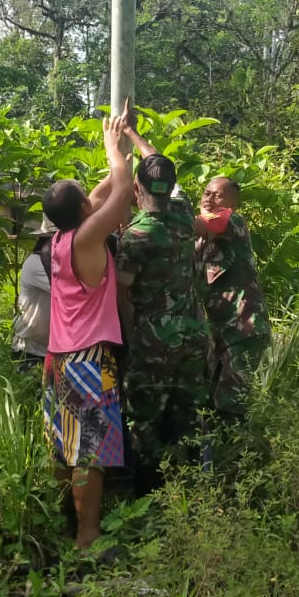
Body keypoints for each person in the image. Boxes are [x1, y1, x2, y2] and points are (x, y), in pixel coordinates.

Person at [41, 104, 134, 550]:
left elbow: (102, 194)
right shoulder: (90, 238)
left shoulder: (61, 238)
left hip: (59, 357)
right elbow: (118, 192)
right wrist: (110, 146)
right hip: (88, 360)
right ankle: (87, 535)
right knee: (88, 453)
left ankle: (64, 522)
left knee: (64, 447)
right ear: (82, 209)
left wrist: (121, 145)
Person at [115, 125, 211, 494]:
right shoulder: (186, 218)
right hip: (192, 334)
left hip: (152, 341)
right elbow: (160, 171)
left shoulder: (135, 238)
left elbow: (123, 294)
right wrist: (136, 136)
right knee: (189, 413)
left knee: (145, 418)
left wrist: (127, 341)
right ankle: (191, 489)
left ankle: (152, 494)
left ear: (136, 190)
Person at [194, 176, 272, 421]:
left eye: (217, 195)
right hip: (221, 333)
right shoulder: (199, 241)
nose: (209, 198)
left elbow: (179, 224)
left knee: (232, 405)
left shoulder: (232, 222)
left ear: (233, 204)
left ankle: (242, 458)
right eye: (206, 193)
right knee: (213, 401)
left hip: (243, 330)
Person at [11, 216, 55, 372]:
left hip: (50, 349)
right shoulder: (36, 264)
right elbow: (70, 290)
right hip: (31, 350)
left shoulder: (54, 263)